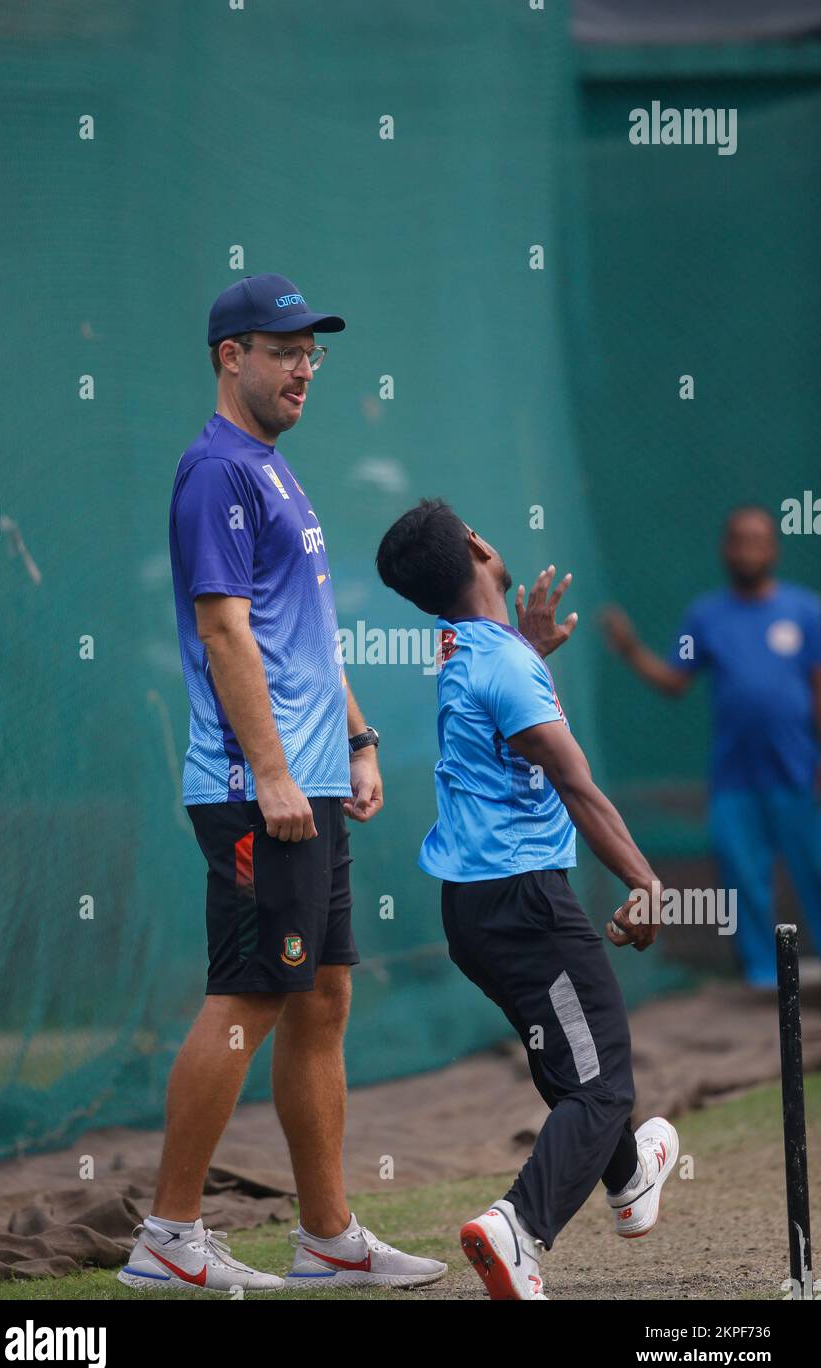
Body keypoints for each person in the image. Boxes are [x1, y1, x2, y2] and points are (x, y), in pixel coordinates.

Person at [118, 275, 446, 1294]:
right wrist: (269, 769)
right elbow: (223, 631)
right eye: (283, 348)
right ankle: (170, 1236)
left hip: (306, 782)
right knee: (250, 996)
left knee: (323, 998)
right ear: (230, 357)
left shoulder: (272, 471)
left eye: (314, 352)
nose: (304, 367)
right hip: (256, 790)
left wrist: (353, 738)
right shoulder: (213, 471)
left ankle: (328, 1237)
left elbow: (300, 631)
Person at [375, 498, 677, 1301]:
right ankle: (518, 1231)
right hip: (526, 906)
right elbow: (576, 785)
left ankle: (629, 1178)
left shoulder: (476, 650)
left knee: (573, 1060)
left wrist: (530, 644)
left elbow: (506, 703)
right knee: (603, 1082)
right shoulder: (503, 665)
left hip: (477, 911)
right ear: (478, 544)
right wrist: (646, 884)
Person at [602, 505, 821, 988]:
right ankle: (766, 980)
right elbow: (675, 679)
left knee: (815, 868)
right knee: (743, 878)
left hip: (800, 774)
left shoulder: (805, 612)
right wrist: (632, 648)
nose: (747, 550)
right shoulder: (704, 618)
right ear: (726, 549)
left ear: (773, 549)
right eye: (738, 540)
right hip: (734, 779)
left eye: (757, 540)